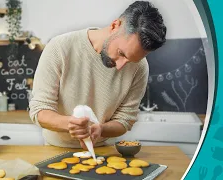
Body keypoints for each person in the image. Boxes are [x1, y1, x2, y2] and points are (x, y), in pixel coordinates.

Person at [28, 1, 167, 149]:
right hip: (56, 149)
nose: (121, 66)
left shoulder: (140, 67)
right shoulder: (59, 47)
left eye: (131, 60)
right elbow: (39, 110)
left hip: (105, 152)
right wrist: (70, 124)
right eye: (121, 53)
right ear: (114, 26)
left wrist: (101, 129)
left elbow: (125, 120)